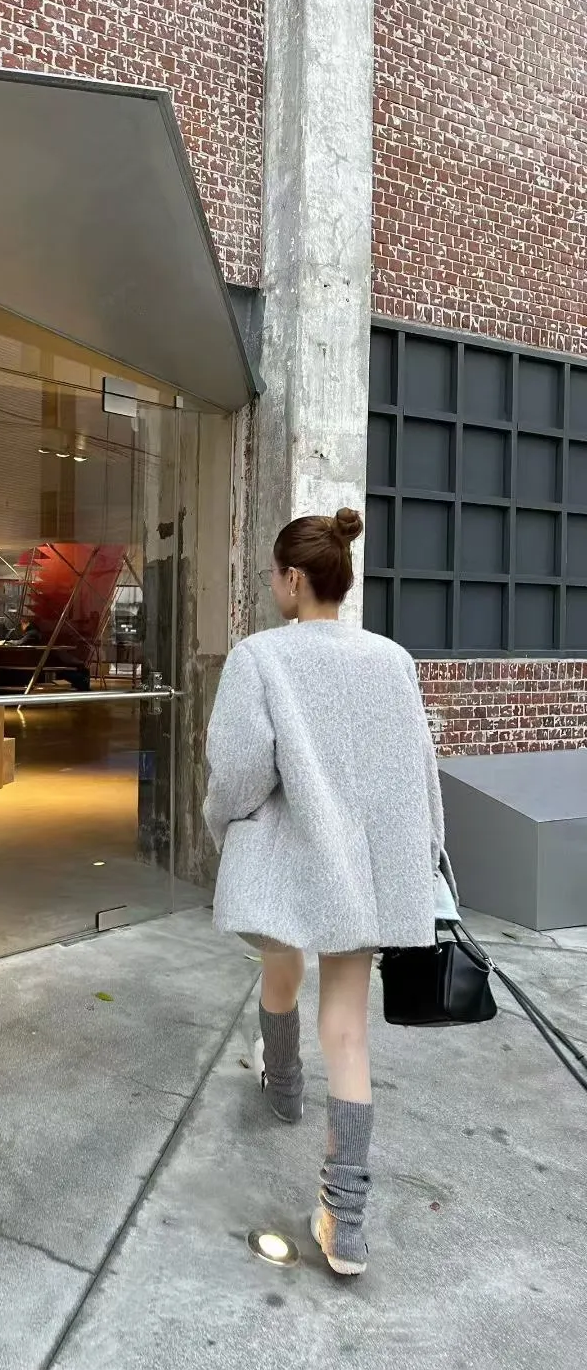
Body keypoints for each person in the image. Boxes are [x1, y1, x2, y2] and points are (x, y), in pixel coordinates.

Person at [203, 508, 442, 1278]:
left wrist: (221, 824)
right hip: (360, 875)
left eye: (274, 575)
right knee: (348, 1030)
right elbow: (419, 771)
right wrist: (426, 857)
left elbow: (238, 774)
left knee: (280, 968)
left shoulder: (260, 657)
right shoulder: (392, 660)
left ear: (293, 579)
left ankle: (282, 1086)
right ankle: (346, 1222)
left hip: (285, 866)